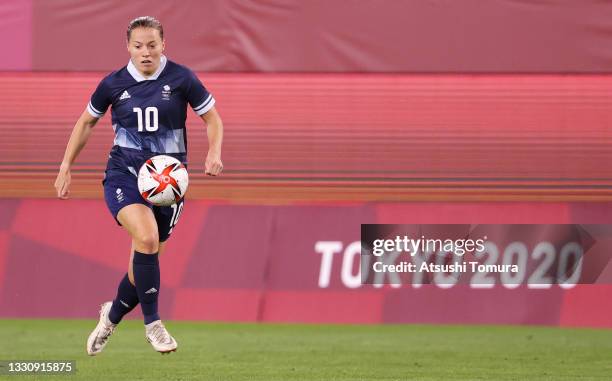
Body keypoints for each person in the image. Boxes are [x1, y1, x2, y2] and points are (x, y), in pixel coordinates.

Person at [53, 16, 223, 355]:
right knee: (146, 238)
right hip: (125, 175)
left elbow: (212, 118)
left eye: (152, 45)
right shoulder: (113, 84)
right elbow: (87, 121)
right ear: (128, 48)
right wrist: (65, 166)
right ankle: (153, 324)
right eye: (138, 46)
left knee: (142, 263)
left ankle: (111, 316)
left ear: (163, 45)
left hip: (169, 185)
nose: (145, 52)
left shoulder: (182, 78)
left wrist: (214, 152)